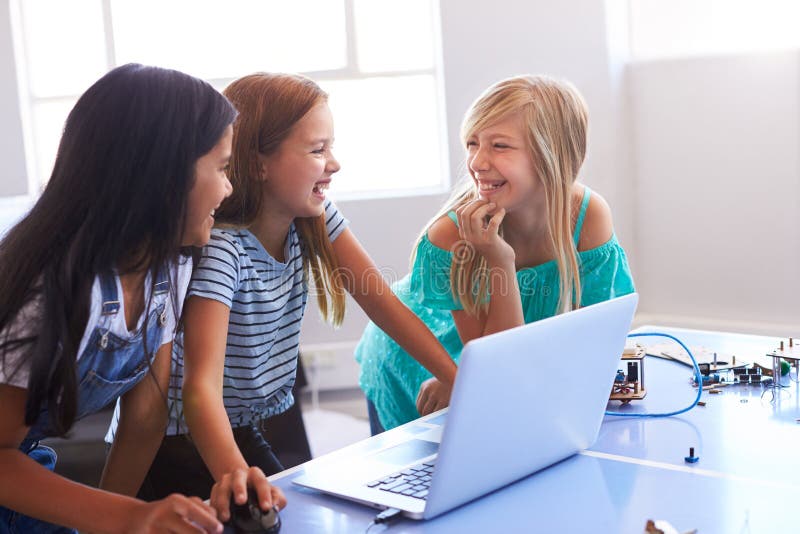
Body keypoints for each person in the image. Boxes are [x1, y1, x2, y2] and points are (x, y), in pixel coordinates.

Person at [117, 72, 457, 519]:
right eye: (318, 150)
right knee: (272, 517)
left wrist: (454, 376)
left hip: (240, 425)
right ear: (258, 163)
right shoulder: (224, 250)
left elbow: (382, 303)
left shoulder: (315, 217)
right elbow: (200, 391)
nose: (334, 164)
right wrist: (239, 482)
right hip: (179, 442)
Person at [0, 63, 239, 534]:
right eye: (222, 167)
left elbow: (146, 416)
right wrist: (131, 517)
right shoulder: (49, 292)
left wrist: (118, 524)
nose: (228, 188)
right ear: (164, 174)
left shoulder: (171, 265)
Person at [356, 74, 636, 433]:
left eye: (499, 146)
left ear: (552, 154)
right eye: (472, 143)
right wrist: (499, 259)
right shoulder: (450, 235)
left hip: (491, 366)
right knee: (421, 473)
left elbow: (594, 340)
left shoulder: (587, 217)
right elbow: (498, 363)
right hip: (419, 361)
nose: (477, 161)